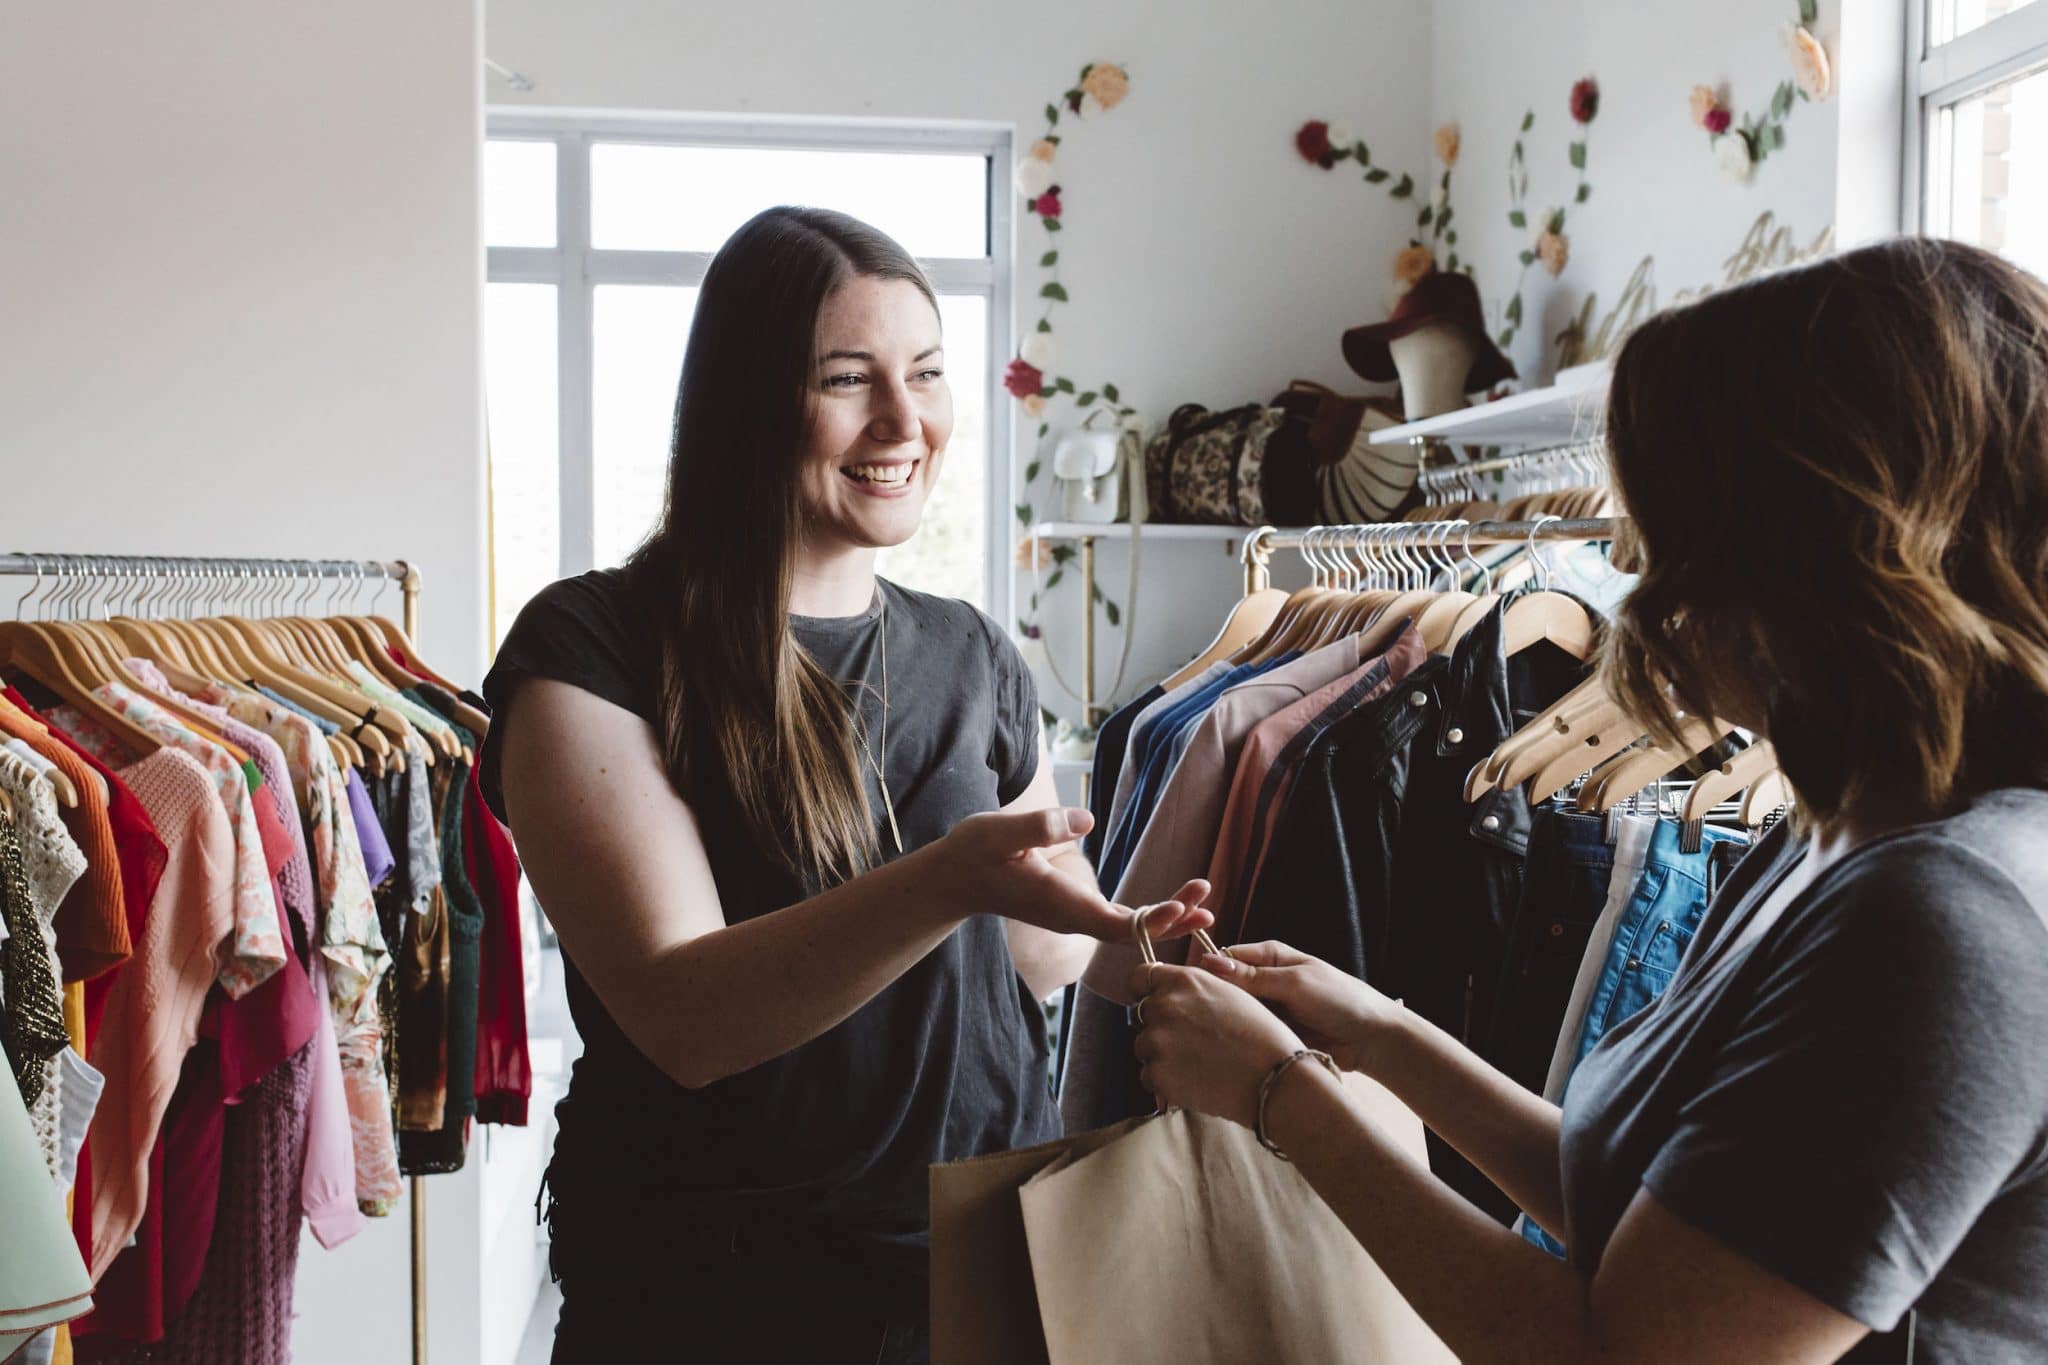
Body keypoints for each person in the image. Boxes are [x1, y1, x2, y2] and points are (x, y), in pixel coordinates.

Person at [1129, 237, 2048, 1363]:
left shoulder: (1949, 914)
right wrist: (1375, 1032)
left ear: (1822, 544)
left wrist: (1282, 1097)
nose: (1644, 587)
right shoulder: (1831, 835)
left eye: (1679, 530)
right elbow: (1656, 1213)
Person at [479, 206, 1210, 1363]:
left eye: (924, 373)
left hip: (983, 1269)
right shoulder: (593, 647)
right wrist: (953, 880)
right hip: (714, 1301)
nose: (903, 421)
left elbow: (1034, 957)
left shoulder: (971, 649)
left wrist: (1123, 933)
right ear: (746, 401)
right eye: (845, 379)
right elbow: (684, 1018)